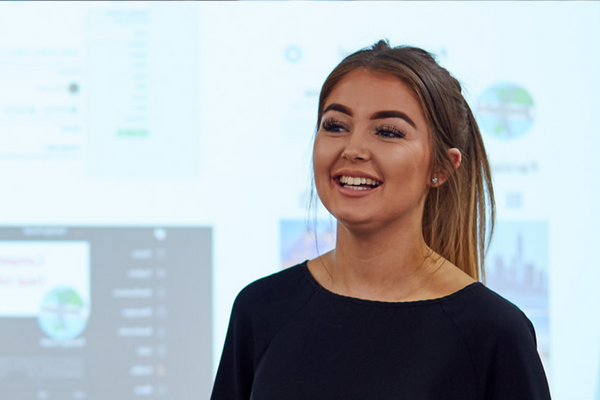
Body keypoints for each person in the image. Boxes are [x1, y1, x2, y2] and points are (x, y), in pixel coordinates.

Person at [210, 40, 551, 400]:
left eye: (388, 132)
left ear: (441, 167)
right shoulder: (260, 307)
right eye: (336, 125)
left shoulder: (494, 333)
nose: (353, 149)